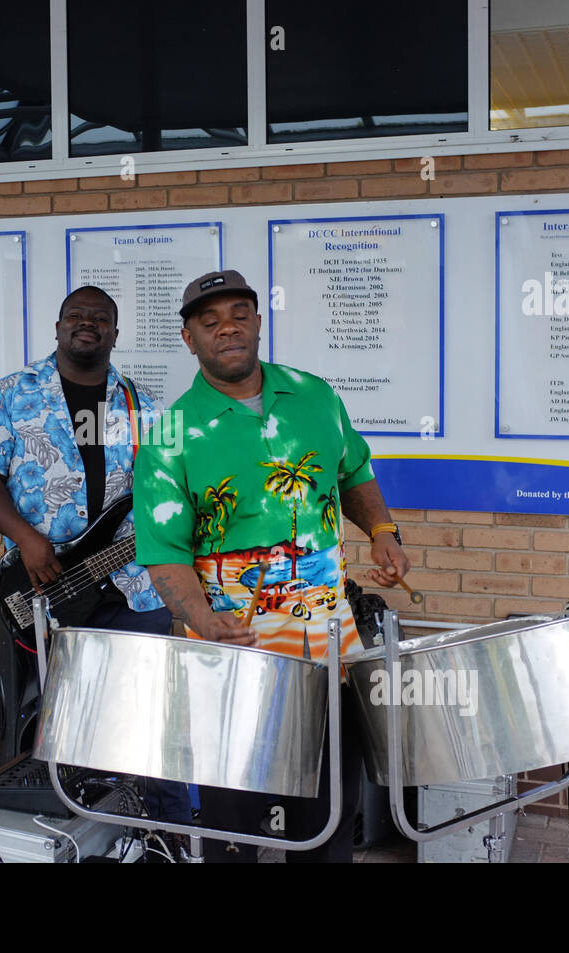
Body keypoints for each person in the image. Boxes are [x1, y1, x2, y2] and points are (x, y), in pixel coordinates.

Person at [133, 269, 412, 863]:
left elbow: (354, 471)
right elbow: (163, 552)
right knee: (236, 822)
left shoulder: (315, 395)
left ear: (258, 322)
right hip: (231, 655)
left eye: (238, 313)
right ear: (189, 340)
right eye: (209, 322)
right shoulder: (170, 433)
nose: (226, 327)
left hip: (327, 645)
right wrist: (203, 620)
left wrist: (383, 531)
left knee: (327, 814)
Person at [0, 285, 190, 824]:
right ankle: (64, 826)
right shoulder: (13, 394)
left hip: (134, 588)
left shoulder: (142, 403)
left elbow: (164, 489)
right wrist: (27, 538)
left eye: (100, 318)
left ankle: (165, 832)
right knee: (58, 715)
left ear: (115, 332)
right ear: (58, 327)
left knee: (151, 709)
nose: (87, 323)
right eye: (75, 315)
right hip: (46, 587)